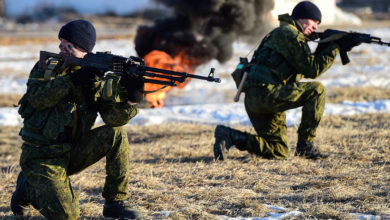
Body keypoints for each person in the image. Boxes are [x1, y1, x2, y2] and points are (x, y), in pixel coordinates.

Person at [10, 19, 144, 219]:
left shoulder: (96, 80)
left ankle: (114, 203)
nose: (61, 48)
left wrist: (131, 100)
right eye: (61, 43)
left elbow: (113, 119)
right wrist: (73, 80)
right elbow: (38, 98)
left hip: (72, 151)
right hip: (41, 156)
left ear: (84, 51)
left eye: (68, 46)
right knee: (69, 216)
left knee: (116, 134)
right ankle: (27, 187)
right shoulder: (47, 68)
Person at [213, 1, 361, 160]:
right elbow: (312, 69)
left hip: (257, 97)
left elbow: (307, 64)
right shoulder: (289, 34)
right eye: (314, 22)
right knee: (316, 90)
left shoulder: (281, 32)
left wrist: (329, 44)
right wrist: (334, 47)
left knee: (278, 150)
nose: (316, 27)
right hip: (267, 94)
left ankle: (231, 136)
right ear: (302, 18)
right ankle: (306, 146)